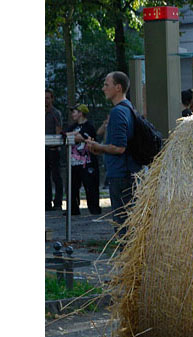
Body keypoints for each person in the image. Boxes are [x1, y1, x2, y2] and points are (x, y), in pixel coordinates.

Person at [86, 71, 142, 237]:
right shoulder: (128, 108)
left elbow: (119, 148)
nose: (103, 88)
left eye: (106, 85)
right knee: (128, 222)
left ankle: (126, 259)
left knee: (122, 224)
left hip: (121, 174)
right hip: (128, 172)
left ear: (118, 88)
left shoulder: (118, 112)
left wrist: (99, 147)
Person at [64, 104, 101, 216]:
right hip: (74, 163)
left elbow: (83, 137)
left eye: (74, 112)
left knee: (90, 186)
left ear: (81, 113)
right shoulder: (72, 126)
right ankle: (73, 209)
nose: (72, 114)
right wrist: (74, 135)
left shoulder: (89, 126)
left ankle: (94, 209)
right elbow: (65, 135)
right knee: (72, 186)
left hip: (87, 162)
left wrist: (75, 136)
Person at [45, 89, 64, 211]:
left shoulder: (55, 113)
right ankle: (46, 202)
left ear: (52, 99)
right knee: (44, 177)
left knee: (56, 176)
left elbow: (59, 129)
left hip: (53, 149)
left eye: (47, 98)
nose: (45, 100)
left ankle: (58, 202)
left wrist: (56, 145)